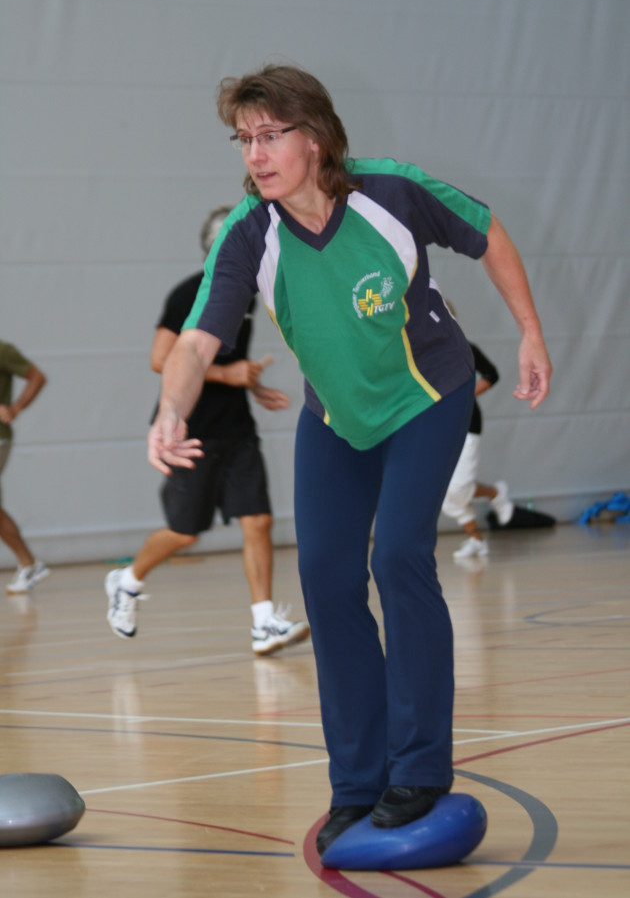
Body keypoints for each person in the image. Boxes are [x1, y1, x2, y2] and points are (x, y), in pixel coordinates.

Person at [145, 65, 552, 855]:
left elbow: (487, 230)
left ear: (317, 137)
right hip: (336, 418)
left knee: (399, 554)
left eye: (271, 135)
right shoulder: (249, 233)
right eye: (244, 139)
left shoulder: (390, 192)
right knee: (328, 579)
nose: (255, 154)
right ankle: (357, 784)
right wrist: (170, 409)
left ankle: (419, 769)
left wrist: (530, 332)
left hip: (426, 395)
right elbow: (195, 343)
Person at [105, 205, 310, 656]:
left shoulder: (248, 297)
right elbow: (162, 359)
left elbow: (228, 361)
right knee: (185, 532)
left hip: (237, 427)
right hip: (190, 429)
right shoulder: (188, 295)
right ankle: (127, 580)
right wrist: (229, 375)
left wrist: (252, 385)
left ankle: (263, 623)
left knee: (258, 520)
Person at [441, 315, 515, 559]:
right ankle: (476, 541)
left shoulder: (464, 349)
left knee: (457, 488)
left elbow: (492, 374)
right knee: (443, 494)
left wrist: (466, 395)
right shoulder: (417, 352)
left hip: (466, 423)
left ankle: (495, 493)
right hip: (435, 428)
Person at [0, 340, 50, 594]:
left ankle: (30, 565)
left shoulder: (2, 350)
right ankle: (30, 565)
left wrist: (15, 408)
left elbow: (37, 377)